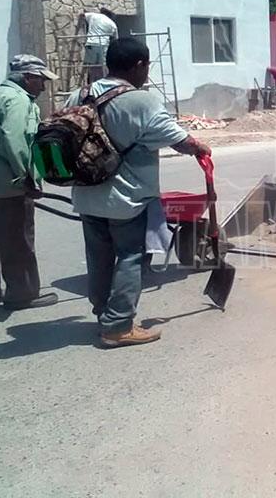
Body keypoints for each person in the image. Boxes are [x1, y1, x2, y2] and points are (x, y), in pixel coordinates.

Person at [68, 38, 211, 348]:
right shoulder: (141, 101)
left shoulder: (80, 94)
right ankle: (118, 326)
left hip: (86, 194)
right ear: (138, 66)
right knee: (130, 257)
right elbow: (178, 140)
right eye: (147, 66)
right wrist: (200, 146)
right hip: (125, 199)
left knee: (98, 258)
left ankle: (104, 314)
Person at [0, 55, 60, 310]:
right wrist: (28, 178)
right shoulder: (18, 101)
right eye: (41, 80)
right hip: (7, 185)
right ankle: (22, 293)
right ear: (28, 78)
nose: (43, 87)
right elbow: (17, 142)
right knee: (17, 242)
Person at [81, 8, 119, 83]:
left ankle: (92, 83)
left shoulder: (94, 16)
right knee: (103, 66)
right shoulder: (112, 24)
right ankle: (105, 82)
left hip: (91, 43)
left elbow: (82, 15)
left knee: (91, 66)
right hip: (103, 45)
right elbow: (116, 40)